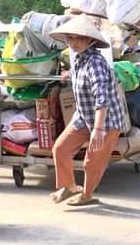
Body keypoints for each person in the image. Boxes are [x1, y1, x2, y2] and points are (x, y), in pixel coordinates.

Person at [47, 16, 126, 207]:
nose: (75, 43)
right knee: (60, 148)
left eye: (80, 39)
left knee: (92, 162)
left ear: (90, 41)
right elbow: (78, 75)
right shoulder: (79, 59)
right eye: (71, 38)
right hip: (84, 116)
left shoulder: (96, 62)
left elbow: (102, 97)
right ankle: (69, 187)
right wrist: (68, 75)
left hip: (105, 121)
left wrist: (98, 130)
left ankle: (87, 194)